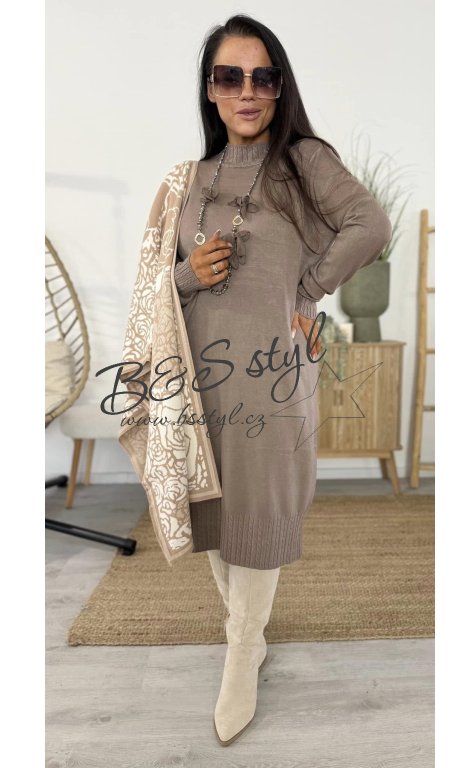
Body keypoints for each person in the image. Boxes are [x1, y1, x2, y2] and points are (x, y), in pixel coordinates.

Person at [151, 14, 392, 746]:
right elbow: (155, 282)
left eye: (262, 77)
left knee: (259, 507)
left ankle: (241, 654)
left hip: (270, 374)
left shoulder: (303, 162)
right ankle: (246, 635)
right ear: (211, 90)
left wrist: (307, 288)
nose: (247, 91)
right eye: (231, 77)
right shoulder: (187, 181)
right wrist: (189, 275)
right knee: (215, 507)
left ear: (280, 86)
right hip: (196, 373)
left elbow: (370, 224)